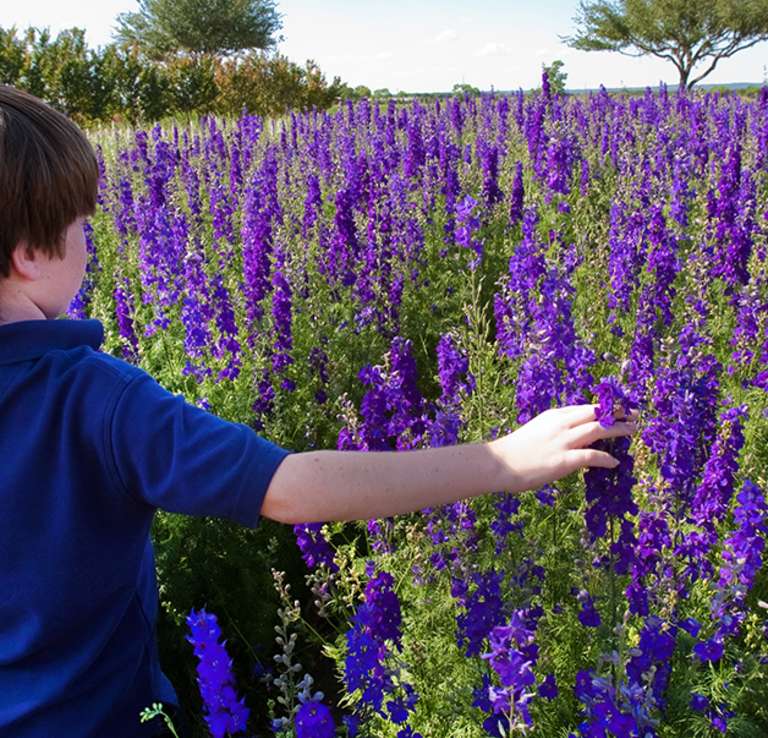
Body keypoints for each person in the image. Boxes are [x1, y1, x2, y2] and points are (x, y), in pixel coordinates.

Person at [0, 84, 636, 738]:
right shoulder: (99, 402)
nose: (91, 237)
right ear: (29, 254)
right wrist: (503, 460)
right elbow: (289, 488)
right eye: (83, 225)